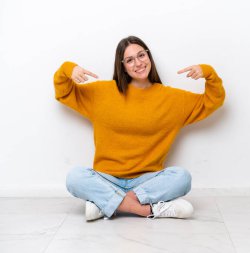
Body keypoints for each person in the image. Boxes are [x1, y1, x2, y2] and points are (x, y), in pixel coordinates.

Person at [53, 35, 225, 221]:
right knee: (74, 178)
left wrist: (209, 73)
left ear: (148, 56)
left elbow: (212, 100)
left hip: (147, 181)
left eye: (141, 55)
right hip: (107, 179)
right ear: (123, 66)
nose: (138, 63)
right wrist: (68, 68)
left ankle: (106, 205)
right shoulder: (101, 93)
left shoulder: (172, 99)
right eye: (129, 60)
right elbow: (64, 92)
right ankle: (147, 210)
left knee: (182, 177)